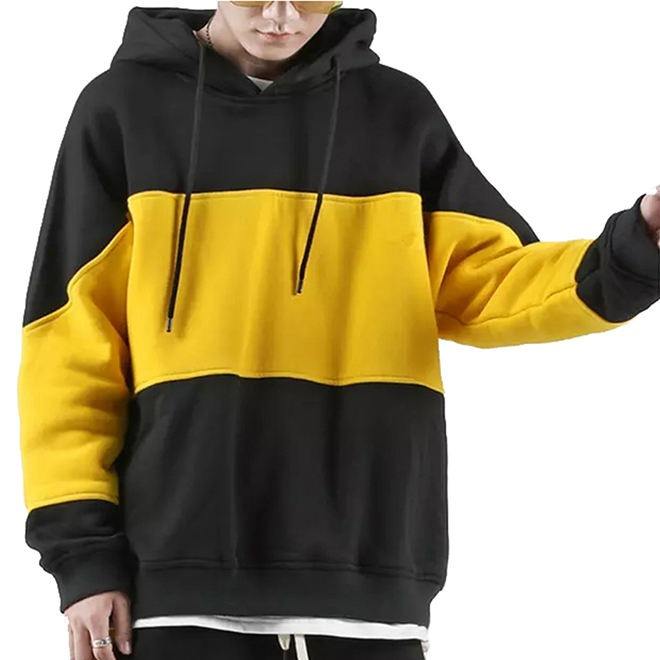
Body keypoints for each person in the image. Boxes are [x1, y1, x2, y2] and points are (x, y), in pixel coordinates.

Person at [16, 2, 660, 660]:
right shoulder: (122, 109)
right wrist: (83, 556)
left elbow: (491, 285)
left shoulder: (397, 113)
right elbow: (67, 348)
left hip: (369, 582)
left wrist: (634, 251)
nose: (282, 16)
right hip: (174, 581)